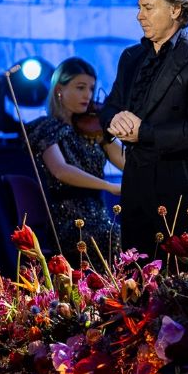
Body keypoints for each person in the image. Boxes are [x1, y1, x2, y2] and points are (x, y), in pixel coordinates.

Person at [100, 0, 188, 255]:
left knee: (181, 277)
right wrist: (113, 119)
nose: (139, 16)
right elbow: (109, 106)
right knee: (136, 273)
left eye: (148, 8)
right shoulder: (131, 57)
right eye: (139, 7)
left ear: (175, 9)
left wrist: (143, 132)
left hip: (178, 184)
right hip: (136, 180)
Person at [26, 58, 125, 262]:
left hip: (100, 216)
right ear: (59, 90)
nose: (88, 95)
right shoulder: (45, 127)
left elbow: (127, 163)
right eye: (80, 87)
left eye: (91, 88)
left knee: (130, 228)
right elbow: (61, 170)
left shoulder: (93, 128)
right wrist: (109, 186)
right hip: (68, 221)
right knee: (113, 235)